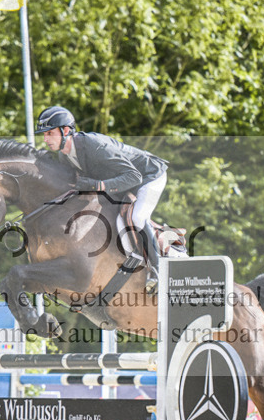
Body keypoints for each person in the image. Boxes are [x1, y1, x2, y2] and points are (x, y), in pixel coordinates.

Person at [35, 105, 168, 292]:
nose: (46, 139)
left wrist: (97, 185)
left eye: (50, 133)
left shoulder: (94, 146)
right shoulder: (65, 157)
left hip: (149, 176)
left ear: (65, 130)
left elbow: (134, 177)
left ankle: (159, 271)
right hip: (123, 182)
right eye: (44, 135)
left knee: (138, 217)